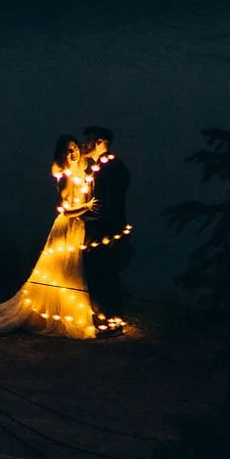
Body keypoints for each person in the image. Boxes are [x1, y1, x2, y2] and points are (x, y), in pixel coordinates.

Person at [0, 134, 101, 338]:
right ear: (62, 154)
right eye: (68, 150)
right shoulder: (66, 177)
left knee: (73, 269)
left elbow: (92, 153)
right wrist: (86, 207)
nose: (74, 152)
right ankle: (60, 315)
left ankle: (69, 311)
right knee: (62, 269)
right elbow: (66, 211)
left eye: (75, 147)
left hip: (79, 227)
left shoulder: (81, 170)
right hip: (67, 227)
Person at [80, 125, 133, 335]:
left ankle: (112, 323)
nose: (85, 144)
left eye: (89, 139)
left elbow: (108, 202)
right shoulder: (96, 167)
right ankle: (104, 320)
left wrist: (91, 219)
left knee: (105, 275)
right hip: (99, 230)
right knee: (97, 275)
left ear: (102, 142)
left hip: (106, 232)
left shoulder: (113, 167)